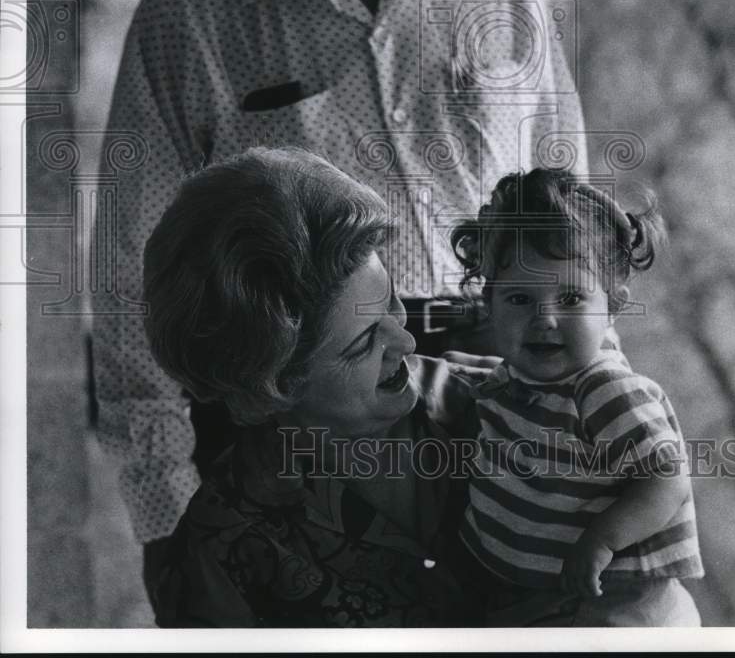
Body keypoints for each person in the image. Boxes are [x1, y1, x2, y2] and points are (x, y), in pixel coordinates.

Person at [93, 0, 588, 594]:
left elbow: (568, 223)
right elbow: (133, 285)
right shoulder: (190, 9)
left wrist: (595, 410)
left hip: (506, 412)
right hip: (296, 440)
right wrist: (170, 520)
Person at [141, 146, 494, 627]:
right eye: (363, 343)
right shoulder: (222, 549)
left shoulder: (506, 404)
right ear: (276, 383)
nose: (406, 340)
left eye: (391, 301)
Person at [448, 169, 704, 626]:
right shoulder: (521, 376)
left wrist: (603, 541)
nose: (545, 320)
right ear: (490, 305)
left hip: (608, 597)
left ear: (613, 306)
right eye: (520, 299)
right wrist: (462, 373)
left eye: (570, 299)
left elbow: (667, 477)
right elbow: (509, 388)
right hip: (529, 591)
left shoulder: (605, 391)